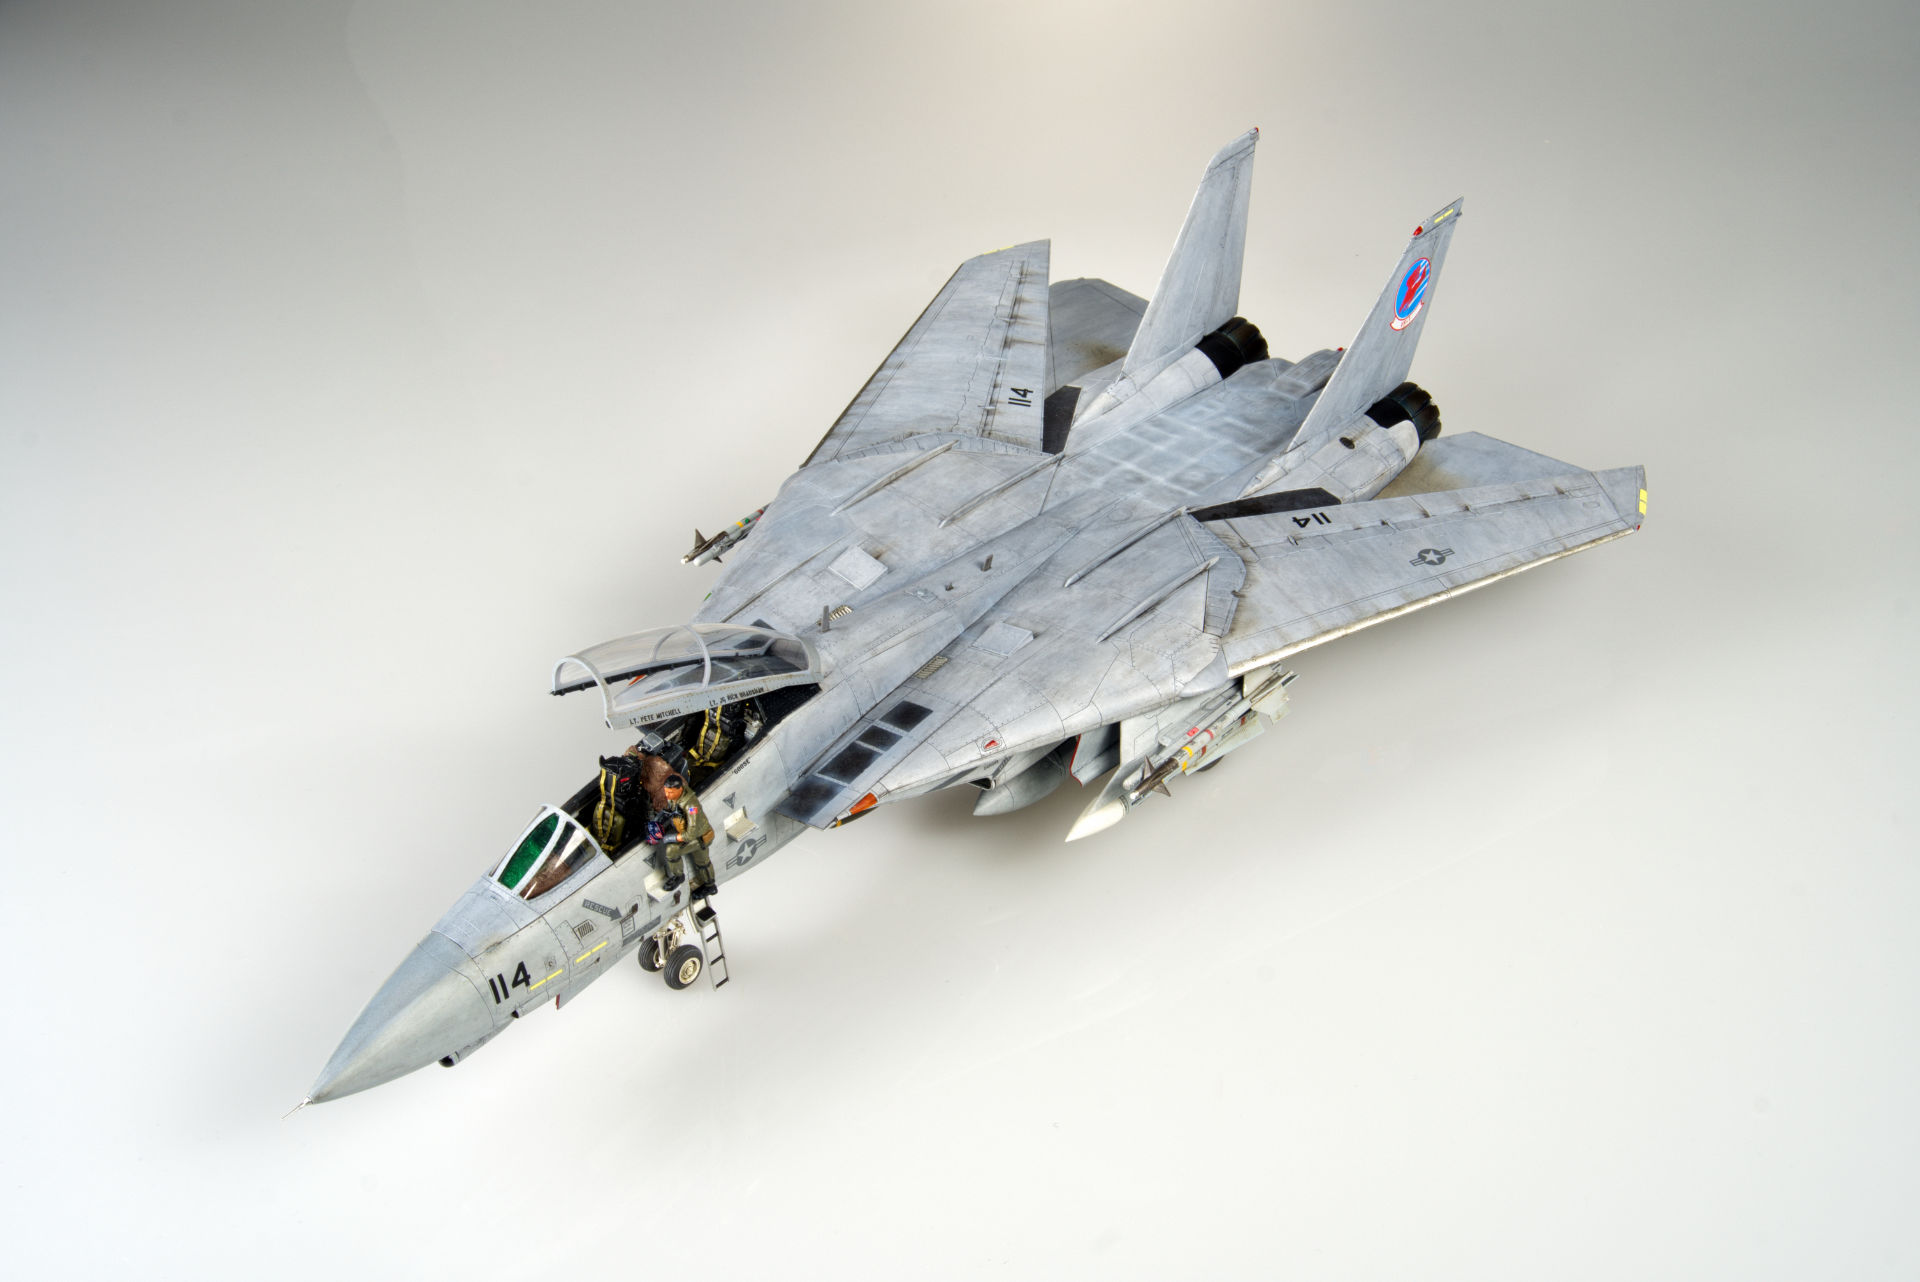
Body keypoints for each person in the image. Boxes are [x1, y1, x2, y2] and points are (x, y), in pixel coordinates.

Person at [643, 769, 717, 895]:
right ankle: (706, 884)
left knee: (675, 852)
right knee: (702, 862)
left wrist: (671, 838)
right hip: (684, 831)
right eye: (666, 791)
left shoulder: (691, 806)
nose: (667, 795)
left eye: (670, 792)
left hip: (700, 837)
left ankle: (686, 879)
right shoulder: (675, 797)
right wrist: (658, 819)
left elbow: (691, 834)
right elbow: (672, 812)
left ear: (679, 789)